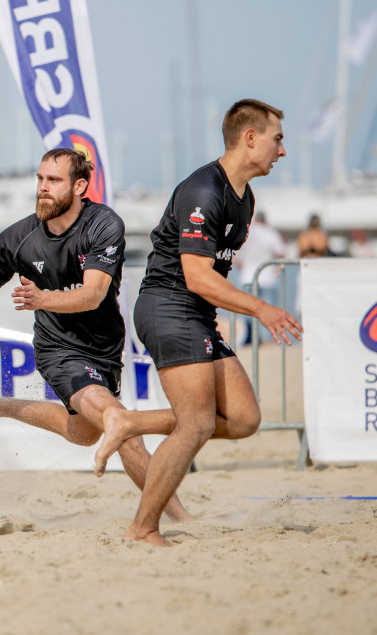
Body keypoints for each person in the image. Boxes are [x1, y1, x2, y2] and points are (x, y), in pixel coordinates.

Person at [0, 148, 191, 522]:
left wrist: (44, 297)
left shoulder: (104, 225)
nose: (43, 188)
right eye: (40, 179)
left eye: (53, 181)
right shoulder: (18, 238)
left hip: (105, 348)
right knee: (119, 422)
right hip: (59, 350)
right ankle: (178, 517)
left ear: (79, 186)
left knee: (83, 433)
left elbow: (93, 295)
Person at [96, 99, 303, 546]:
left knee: (245, 419)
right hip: (167, 305)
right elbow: (195, 275)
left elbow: (210, 279)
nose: (282, 151)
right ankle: (142, 528)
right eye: (277, 139)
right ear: (250, 138)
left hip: (196, 314)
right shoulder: (203, 190)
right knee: (196, 424)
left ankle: (130, 424)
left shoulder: (244, 199)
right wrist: (261, 308)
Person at [234, 211, 286, 343]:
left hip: (247, 277)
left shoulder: (246, 233)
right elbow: (281, 253)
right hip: (267, 277)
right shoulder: (271, 233)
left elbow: (235, 254)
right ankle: (266, 340)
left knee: (247, 310)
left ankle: (250, 339)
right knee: (267, 311)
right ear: (265, 220)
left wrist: (243, 267)